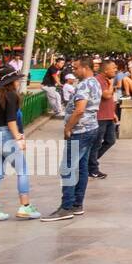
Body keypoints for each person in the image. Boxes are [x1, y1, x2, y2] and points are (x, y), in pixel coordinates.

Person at [44, 59, 104, 222]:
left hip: (80, 130)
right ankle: (77, 204)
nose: (74, 71)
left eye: (76, 68)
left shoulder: (85, 85)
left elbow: (79, 110)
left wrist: (68, 128)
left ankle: (66, 206)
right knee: (82, 166)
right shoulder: (95, 82)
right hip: (91, 128)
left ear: (85, 68)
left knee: (68, 167)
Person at [0, 66, 39, 222]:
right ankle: (25, 207)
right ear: (11, 81)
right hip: (7, 136)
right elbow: (11, 121)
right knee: (22, 170)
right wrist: (19, 139)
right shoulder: (11, 96)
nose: (18, 82)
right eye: (16, 80)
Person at [88, 59, 120, 178]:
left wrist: (113, 113)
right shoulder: (99, 80)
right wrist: (112, 84)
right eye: (113, 68)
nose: (115, 70)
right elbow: (106, 95)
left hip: (108, 116)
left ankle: (89, 162)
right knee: (96, 143)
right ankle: (92, 168)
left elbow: (110, 99)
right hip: (100, 117)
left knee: (110, 140)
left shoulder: (106, 80)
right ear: (106, 70)